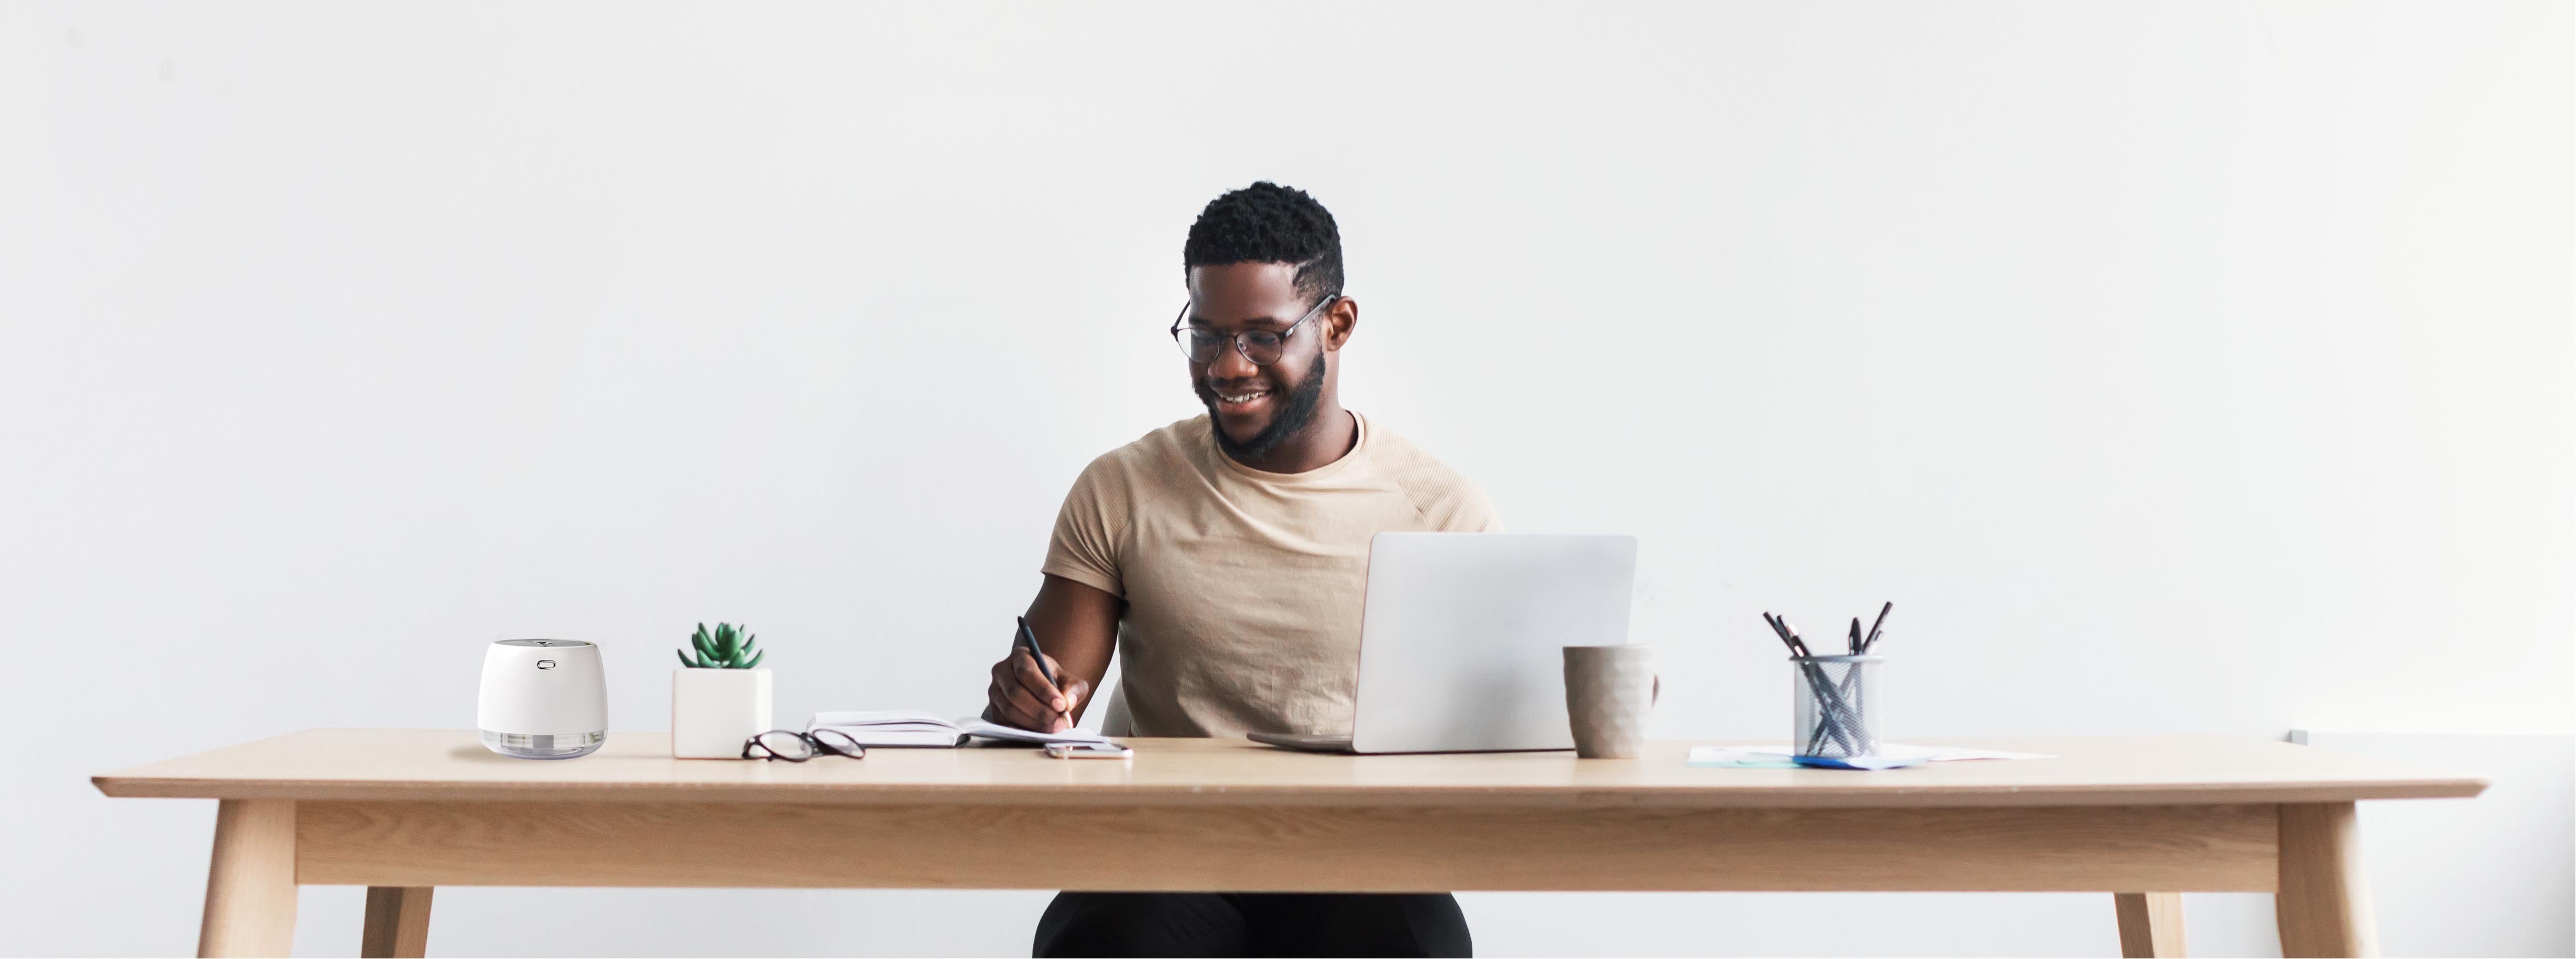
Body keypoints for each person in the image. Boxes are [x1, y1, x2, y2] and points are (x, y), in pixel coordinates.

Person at [982, 182, 1492, 958]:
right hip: (1162, 851)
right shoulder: (1125, 487)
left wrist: (1567, 698)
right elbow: (1047, 707)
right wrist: (1030, 701)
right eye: (1206, 335)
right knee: (1115, 938)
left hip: (1359, 852)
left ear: (1336, 325)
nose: (1227, 366)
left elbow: (1497, 721)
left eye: (1262, 336)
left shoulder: (1438, 509)